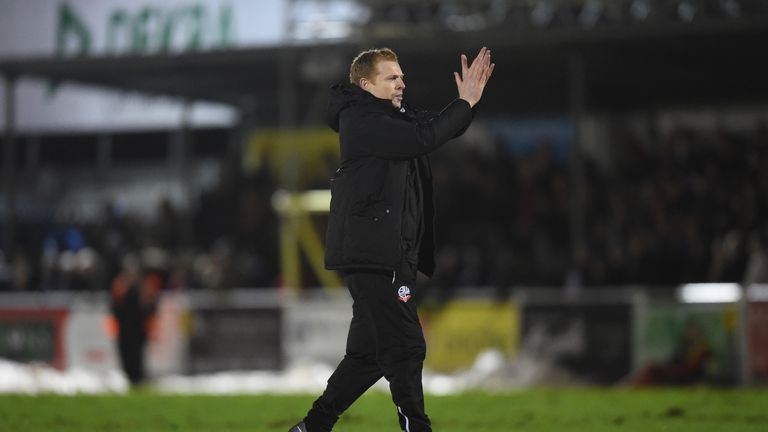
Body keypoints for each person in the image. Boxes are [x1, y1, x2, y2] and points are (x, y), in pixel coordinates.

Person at [289, 47, 494, 432]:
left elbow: (434, 127)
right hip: (376, 255)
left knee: (367, 356)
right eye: (391, 77)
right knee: (405, 347)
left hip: (387, 254)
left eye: (401, 76)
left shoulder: (386, 118)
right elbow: (425, 136)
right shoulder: (363, 120)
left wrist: (466, 103)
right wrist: (463, 103)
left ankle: (311, 427)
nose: (402, 83)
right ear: (366, 85)